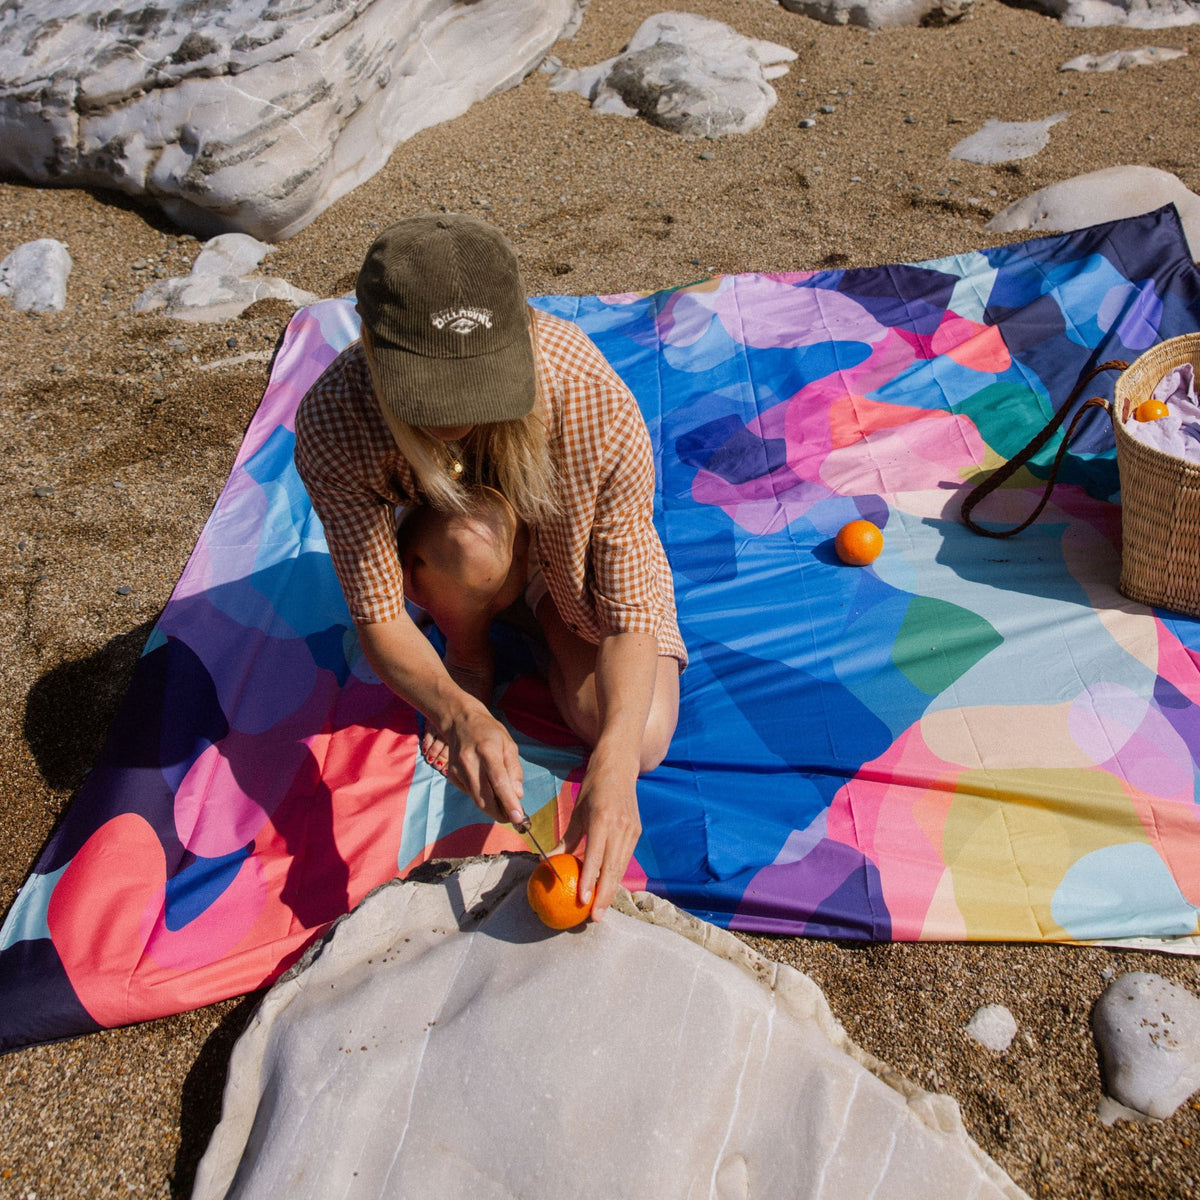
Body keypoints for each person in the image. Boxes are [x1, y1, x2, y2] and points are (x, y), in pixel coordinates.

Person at [294, 213, 686, 920]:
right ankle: (473, 647)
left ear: (524, 329)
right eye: (431, 387)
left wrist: (615, 768)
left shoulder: (589, 397)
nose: (457, 412)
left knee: (641, 735)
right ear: (370, 343)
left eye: (477, 382)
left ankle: (539, 610)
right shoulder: (334, 420)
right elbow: (378, 611)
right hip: (465, 541)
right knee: (468, 543)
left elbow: (630, 604)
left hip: (570, 554)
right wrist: (454, 709)